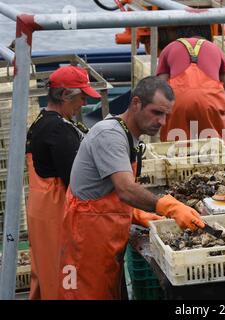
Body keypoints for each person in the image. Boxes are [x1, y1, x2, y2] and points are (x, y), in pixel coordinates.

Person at [58, 76, 205, 300]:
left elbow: (108, 191)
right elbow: (125, 189)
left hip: (105, 239)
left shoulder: (129, 135)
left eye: (166, 115)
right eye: (156, 112)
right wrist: (169, 206)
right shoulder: (110, 134)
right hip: (86, 242)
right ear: (136, 103)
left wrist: (137, 213)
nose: (162, 122)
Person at [25, 65, 100, 299]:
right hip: (57, 213)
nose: (84, 103)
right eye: (82, 96)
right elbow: (77, 182)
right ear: (65, 95)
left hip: (39, 212)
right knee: (65, 275)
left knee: (45, 271)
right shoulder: (60, 130)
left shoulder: (38, 123)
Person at [156, 25, 225, 142]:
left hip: (178, 103)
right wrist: (224, 129)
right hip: (211, 103)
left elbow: (158, 93)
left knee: (174, 153)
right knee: (216, 153)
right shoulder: (216, 50)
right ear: (209, 36)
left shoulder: (169, 48)